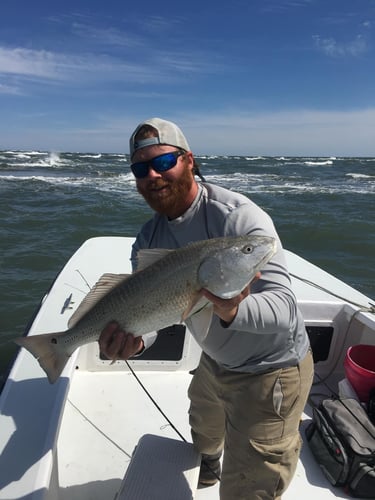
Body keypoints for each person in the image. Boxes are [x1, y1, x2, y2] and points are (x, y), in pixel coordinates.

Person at [99, 118, 314, 500]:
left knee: (250, 487)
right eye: (140, 168)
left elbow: (284, 311)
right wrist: (135, 344)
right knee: (203, 430)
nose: (152, 175)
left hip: (271, 372)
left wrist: (232, 310)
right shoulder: (149, 238)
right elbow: (150, 314)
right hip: (215, 360)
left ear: (189, 160)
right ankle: (210, 462)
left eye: (164, 162)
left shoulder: (238, 218)